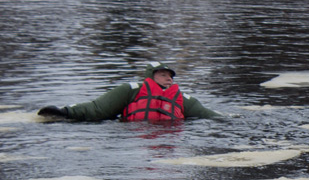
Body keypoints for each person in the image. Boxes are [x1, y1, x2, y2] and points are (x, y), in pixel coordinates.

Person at [37, 61, 223, 122]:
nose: (169, 79)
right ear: (151, 76)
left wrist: (232, 119)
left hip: (169, 140)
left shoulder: (182, 98)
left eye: (171, 76)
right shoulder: (131, 90)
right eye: (164, 74)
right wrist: (64, 112)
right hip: (134, 139)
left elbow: (207, 115)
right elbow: (98, 109)